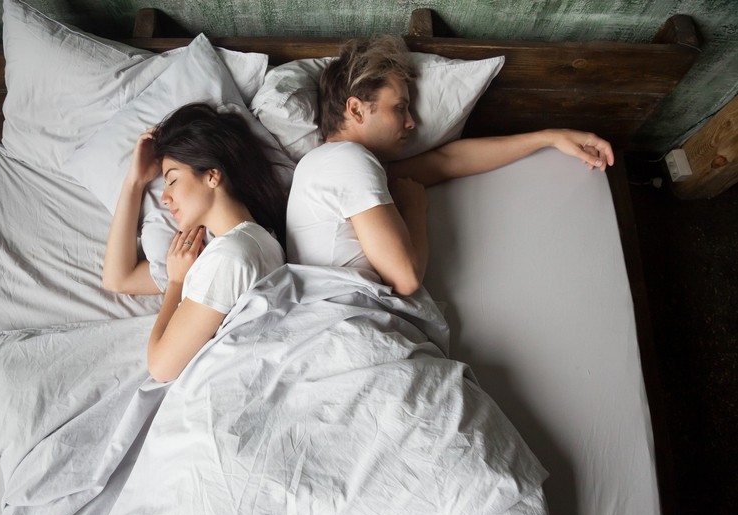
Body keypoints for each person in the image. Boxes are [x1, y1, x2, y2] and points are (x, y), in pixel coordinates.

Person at [286, 35, 615, 296]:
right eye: (399, 108)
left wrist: (549, 137)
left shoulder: (333, 165)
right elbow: (406, 279)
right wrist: (415, 208)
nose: (412, 122)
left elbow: (448, 161)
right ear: (356, 110)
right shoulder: (348, 160)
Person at [102, 102, 288, 382]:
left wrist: (176, 284)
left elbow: (161, 367)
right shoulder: (256, 241)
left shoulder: (230, 258)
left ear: (212, 176)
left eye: (172, 180)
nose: (164, 198)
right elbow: (118, 278)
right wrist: (134, 182)